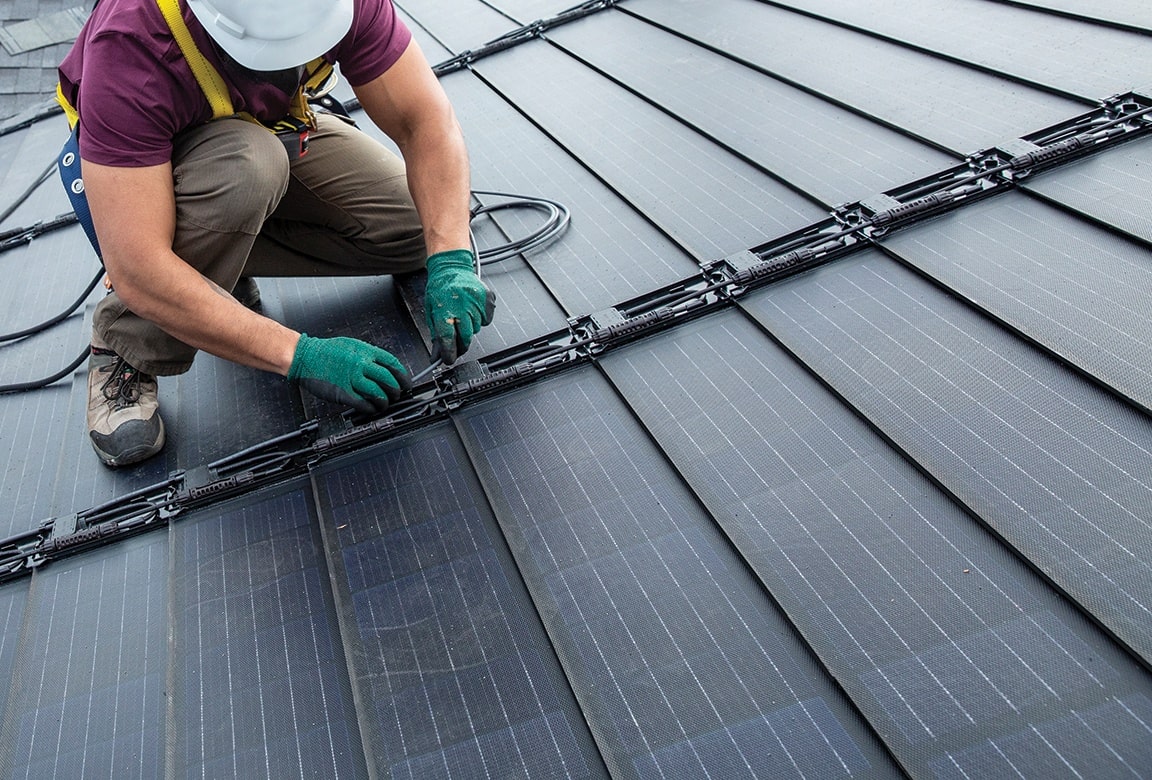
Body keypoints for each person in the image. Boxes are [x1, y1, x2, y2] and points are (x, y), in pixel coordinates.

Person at [56, 0, 493, 467]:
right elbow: (139, 267)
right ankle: (125, 342)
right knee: (247, 166)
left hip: (268, 128)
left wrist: (450, 258)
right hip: (153, 176)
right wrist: (299, 354)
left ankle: (209, 263)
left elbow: (423, 121)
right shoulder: (130, 45)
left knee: (413, 227)